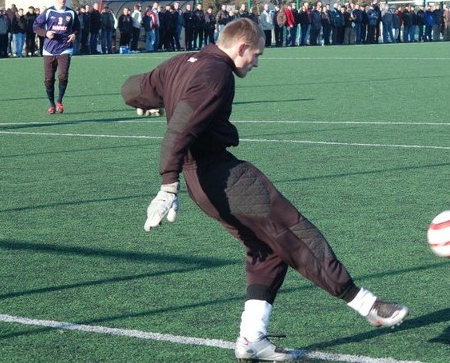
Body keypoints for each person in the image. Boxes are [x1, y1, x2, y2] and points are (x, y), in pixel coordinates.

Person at [121, 18, 409, 361]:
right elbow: (179, 132)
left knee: (267, 251)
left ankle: (251, 339)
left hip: (203, 184)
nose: (256, 62)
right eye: (255, 55)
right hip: (221, 176)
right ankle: (367, 305)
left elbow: (131, 88)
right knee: (296, 232)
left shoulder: (182, 62)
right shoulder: (216, 74)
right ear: (241, 48)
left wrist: (150, 101)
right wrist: (168, 185)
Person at [32, 0, 79, 114]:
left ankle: (59, 101)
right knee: (49, 79)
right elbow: (35, 26)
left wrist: (74, 34)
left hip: (65, 49)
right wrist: (46, 33)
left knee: (63, 76)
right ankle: (52, 104)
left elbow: (77, 28)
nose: (62, 0)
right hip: (49, 50)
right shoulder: (48, 12)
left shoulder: (71, 13)